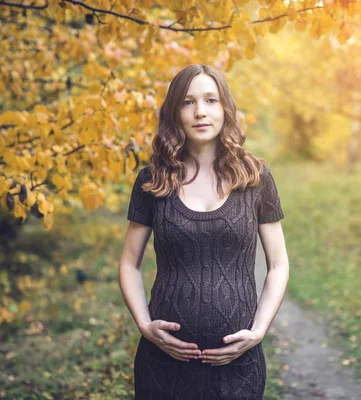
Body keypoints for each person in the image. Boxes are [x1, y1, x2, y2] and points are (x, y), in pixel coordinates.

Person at [119, 64, 289, 400]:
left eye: (210, 100)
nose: (200, 112)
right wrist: (145, 326)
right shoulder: (153, 180)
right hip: (164, 364)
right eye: (187, 102)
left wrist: (258, 331)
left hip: (238, 367)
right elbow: (128, 263)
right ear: (174, 111)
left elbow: (278, 264)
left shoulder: (255, 177)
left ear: (225, 107)